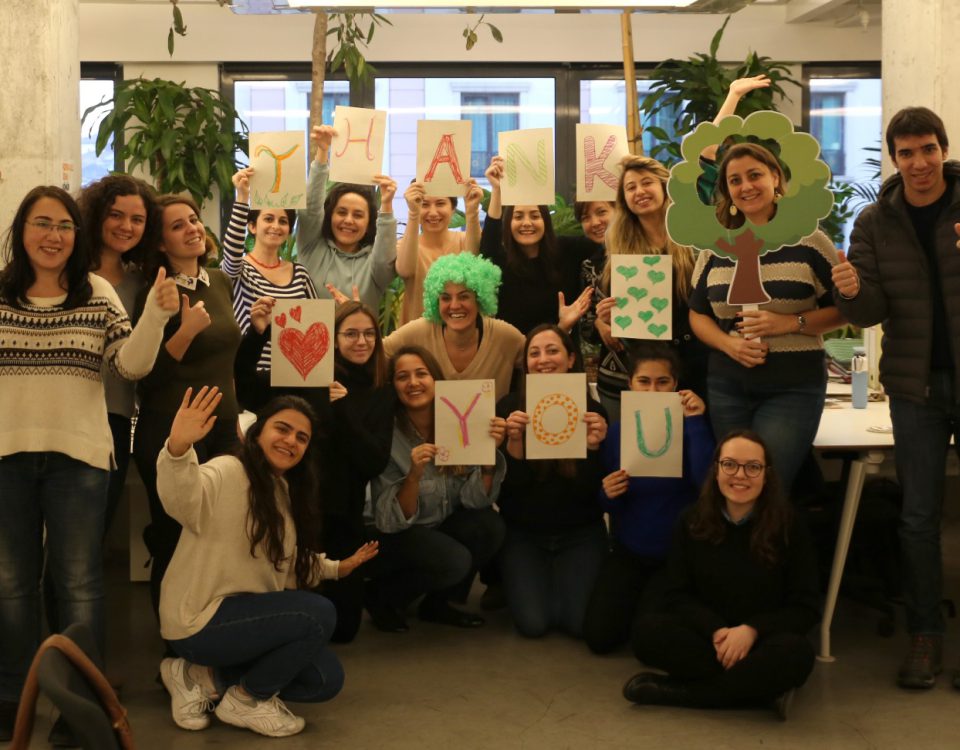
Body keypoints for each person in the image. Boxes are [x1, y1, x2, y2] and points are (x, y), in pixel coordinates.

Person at [0, 186, 178, 740]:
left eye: (64, 226)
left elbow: (130, 367)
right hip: (6, 456)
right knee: (11, 584)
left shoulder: (96, 292)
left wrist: (156, 316)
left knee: (78, 584)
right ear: (21, 231)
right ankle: (12, 698)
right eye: (41, 223)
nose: (53, 236)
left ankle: (79, 707)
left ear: (77, 235)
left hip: (79, 457)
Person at [155, 388, 377, 737]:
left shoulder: (283, 492)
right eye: (282, 429)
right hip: (200, 621)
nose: (291, 441)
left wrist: (337, 568)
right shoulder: (229, 469)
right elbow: (182, 500)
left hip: (245, 620)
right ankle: (246, 700)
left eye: (301, 437)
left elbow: (285, 563)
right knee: (317, 613)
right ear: (258, 433)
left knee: (324, 679)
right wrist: (179, 449)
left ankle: (200, 677)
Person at [831, 106, 960, 690]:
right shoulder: (875, 221)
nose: (919, 162)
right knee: (918, 518)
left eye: (928, 149)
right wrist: (852, 291)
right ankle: (925, 634)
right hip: (914, 387)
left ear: (943, 150)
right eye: (906, 153)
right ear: (894, 158)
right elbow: (868, 312)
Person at [624, 431, 819, 719]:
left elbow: (806, 607)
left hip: (762, 640)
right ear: (716, 470)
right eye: (730, 464)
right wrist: (715, 630)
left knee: (796, 653)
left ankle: (683, 693)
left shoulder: (790, 524)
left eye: (753, 467)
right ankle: (755, 693)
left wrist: (751, 631)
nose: (740, 475)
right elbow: (676, 594)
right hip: (709, 638)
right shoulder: (690, 520)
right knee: (646, 632)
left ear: (766, 475)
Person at [688, 141, 844, 497]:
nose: (746, 186)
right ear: (726, 190)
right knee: (731, 488)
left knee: (765, 489)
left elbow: (844, 311)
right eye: (735, 180)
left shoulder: (809, 239)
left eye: (755, 175)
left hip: (792, 387)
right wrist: (728, 344)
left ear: (775, 177)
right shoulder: (715, 243)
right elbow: (698, 314)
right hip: (727, 386)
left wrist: (789, 323)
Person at [234, 297, 395, 643]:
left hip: (344, 515)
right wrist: (257, 336)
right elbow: (247, 391)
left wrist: (343, 408)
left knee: (344, 631)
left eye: (369, 333)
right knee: (298, 620)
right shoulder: (305, 374)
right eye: (351, 333)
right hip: (296, 509)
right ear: (333, 338)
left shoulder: (382, 389)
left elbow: (373, 461)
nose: (362, 341)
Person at [132, 194, 243, 623]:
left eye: (193, 220)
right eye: (177, 226)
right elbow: (145, 377)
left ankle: (210, 629)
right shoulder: (156, 292)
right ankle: (172, 639)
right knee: (174, 537)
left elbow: (225, 360)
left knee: (221, 533)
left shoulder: (219, 281)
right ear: (161, 243)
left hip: (224, 427)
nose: (192, 229)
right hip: (170, 431)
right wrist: (185, 332)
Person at [583, 343, 715, 654]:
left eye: (662, 382)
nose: (653, 391)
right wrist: (608, 494)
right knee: (599, 637)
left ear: (676, 384)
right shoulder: (617, 433)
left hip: (675, 556)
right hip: (630, 551)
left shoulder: (692, 428)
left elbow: (707, 486)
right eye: (644, 381)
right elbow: (609, 503)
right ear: (630, 383)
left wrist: (696, 422)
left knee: (647, 634)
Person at [366, 346, 507, 632]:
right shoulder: (386, 433)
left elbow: (475, 501)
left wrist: (488, 456)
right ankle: (383, 597)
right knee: (454, 559)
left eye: (421, 374)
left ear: (435, 379)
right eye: (402, 377)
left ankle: (437, 604)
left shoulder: (460, 421)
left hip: (442, 525)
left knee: (489, 526)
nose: (413, 383)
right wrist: (413, 477)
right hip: (399, 536)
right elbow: (391, 522)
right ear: (393, 386)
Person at [495, 324, 609, 638]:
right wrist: (514, 446)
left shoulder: (592, 413)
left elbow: (591, 492)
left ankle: (557, 584)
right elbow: (505, 493)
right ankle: (533, 582)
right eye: (534, 353)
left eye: (552, 350)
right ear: (526, 364)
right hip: (524, 534)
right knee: (533, 624)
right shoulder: (509, 408)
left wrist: (593, 449)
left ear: (571, 359)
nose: (543, 359)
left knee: (578, 623)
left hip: (580, 533)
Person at [591, 155, 707, 416]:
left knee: (694, 434)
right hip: (644, 370)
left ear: (665, 187)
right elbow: (616, 312)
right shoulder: (619, 249)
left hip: (695, 363)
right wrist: (607, 316)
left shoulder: (693, 240)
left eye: (647, 183)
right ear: (624, 199)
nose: (639, 192)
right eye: (630, 187)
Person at [78, 175, 160, 536]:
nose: (126, 226)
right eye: (116, 215)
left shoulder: (142, 283)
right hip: (72, 414)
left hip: (117, 417)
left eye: (137, 219)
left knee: (95, 532)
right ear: (96, 215)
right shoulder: (70, 275)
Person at [383, 252, 525, 400]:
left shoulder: (504, 336)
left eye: (464, 296)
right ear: (436, 301)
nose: (455, 305)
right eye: (446, 298)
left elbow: (536, 359)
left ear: (479, 299)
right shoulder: (419, 331)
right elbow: (377, 355)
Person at [480, 156, 593, 335]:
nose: (527, 223)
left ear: (545, 221)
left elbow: (605, 242)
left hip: (562, 348)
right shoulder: (501, 260)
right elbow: (489, 241)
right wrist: (497, 189)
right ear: (508, 224)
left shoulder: (567, 250)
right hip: (514, 350)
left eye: (534, 216)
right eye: (518, 217)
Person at [221, 167, 319, 369]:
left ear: (288, 231)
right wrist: (242, 197)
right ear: (252, 226)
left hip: (295, 374)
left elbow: (317, 323)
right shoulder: (239, 270)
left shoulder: (300, 274)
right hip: (249, 373)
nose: (276, 226)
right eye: (268, 219)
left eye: (283, 221)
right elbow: (231, 252)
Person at [297, 125, 398, 311]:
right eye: (341, 212)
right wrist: (322, 152)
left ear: (369, 224)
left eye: (358, 215)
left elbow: (385, 253)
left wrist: (387, 204)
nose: (349, 220)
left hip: (361, 332)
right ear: (330, 216)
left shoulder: (374, 264)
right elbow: (311, 209)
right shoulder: (312, 248)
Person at [397, 179, 483, 325]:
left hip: (461, 332)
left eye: (440, 203)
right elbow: (405, 271)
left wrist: (472, 210)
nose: (432, 212)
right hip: (417, 334)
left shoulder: (465, 240)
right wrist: (413, 213)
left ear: (453, 208)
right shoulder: (405, 245)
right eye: (424, 204)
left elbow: (474, 263)